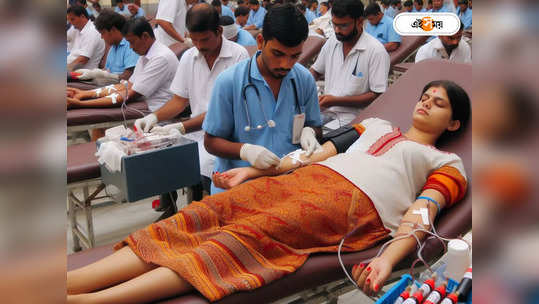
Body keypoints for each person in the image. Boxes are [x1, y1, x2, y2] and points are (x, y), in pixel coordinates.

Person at [67, 80, 470, 303]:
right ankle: (73, 282)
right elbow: (309, 157)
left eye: (438, 103)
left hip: (349, 205)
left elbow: (421, 215)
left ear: (453, 123)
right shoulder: (377, 125)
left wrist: (388, 260)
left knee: (238, 238)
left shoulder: (445, 164)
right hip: (302, 181)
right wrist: (251, 173)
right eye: (424, 97)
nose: (425, 104)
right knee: (203, 214)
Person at [202, 4, 323, 194]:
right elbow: (211, 141)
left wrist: (310, 132)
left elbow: (315, 125)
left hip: (288, 183)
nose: (286, 64)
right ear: (260, 42)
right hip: (239, 186)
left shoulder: (303, 79)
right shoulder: (229, 82)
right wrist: (245, 150)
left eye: (295, 56)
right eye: (278, 54)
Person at [134, 5, 249, 203]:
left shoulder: (238, 56)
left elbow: (225, 111)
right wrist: (154, 118)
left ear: (219, 31)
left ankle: (204, 205)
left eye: (204, 40)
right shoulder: (189, 57)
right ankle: (173, 207)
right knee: (162, 159)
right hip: (197, 133)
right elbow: (179, 100)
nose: (199, 45)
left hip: (227, 136)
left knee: (208, 167)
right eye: (194, 40)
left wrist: (181, 126)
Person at [67, 17, 179, 113]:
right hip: (145, 102)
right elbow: (127, 86)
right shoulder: (145, 54)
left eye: (132, 42)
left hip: (155, 109)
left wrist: (81, 104)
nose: (130, 47)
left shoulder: (160, 58)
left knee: (100, 114)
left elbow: (130, 94)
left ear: (145, 37)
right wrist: (85, 94)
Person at [310, 0, 390, 128]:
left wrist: (335, 101)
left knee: (320, 139)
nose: (337, 30)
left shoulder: (376, 51)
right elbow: (315, 71)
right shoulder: (332, 42)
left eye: (343, 26)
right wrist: (304, 89)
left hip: (354, 118)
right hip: (325, 111)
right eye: (334, 24)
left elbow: (377, 95)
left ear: (359, 21)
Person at [92, 9, 139, 81]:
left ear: (113, 30)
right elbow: (107, 71)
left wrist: (108, 76)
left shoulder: (130, 45)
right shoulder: (113, 47)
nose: (102, 37)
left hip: (122, 87)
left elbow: (129, 75)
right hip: (110, 84)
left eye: (103, 33)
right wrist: (94, 73)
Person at [66, 5, 106, 72]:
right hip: (71, 68)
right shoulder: (75, 27)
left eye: (72, 19)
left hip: (82, 73)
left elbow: (83, 59)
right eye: (68, 20)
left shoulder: (92, 31)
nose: (70, 22)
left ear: (82, 17)